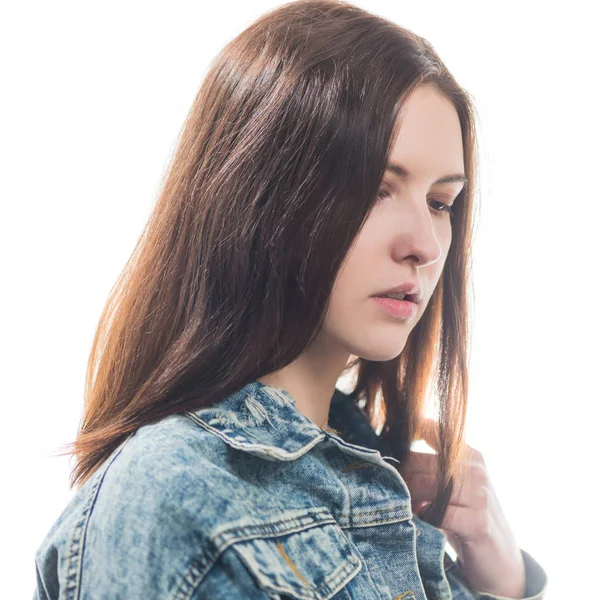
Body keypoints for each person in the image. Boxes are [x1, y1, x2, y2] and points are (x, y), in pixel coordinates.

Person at [33, 1, 548, 598]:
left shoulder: (385, 485)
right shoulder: (176, 498)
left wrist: (502, 574)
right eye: (374, 190)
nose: (425, 246)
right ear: (260, 196)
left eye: (440, 202)